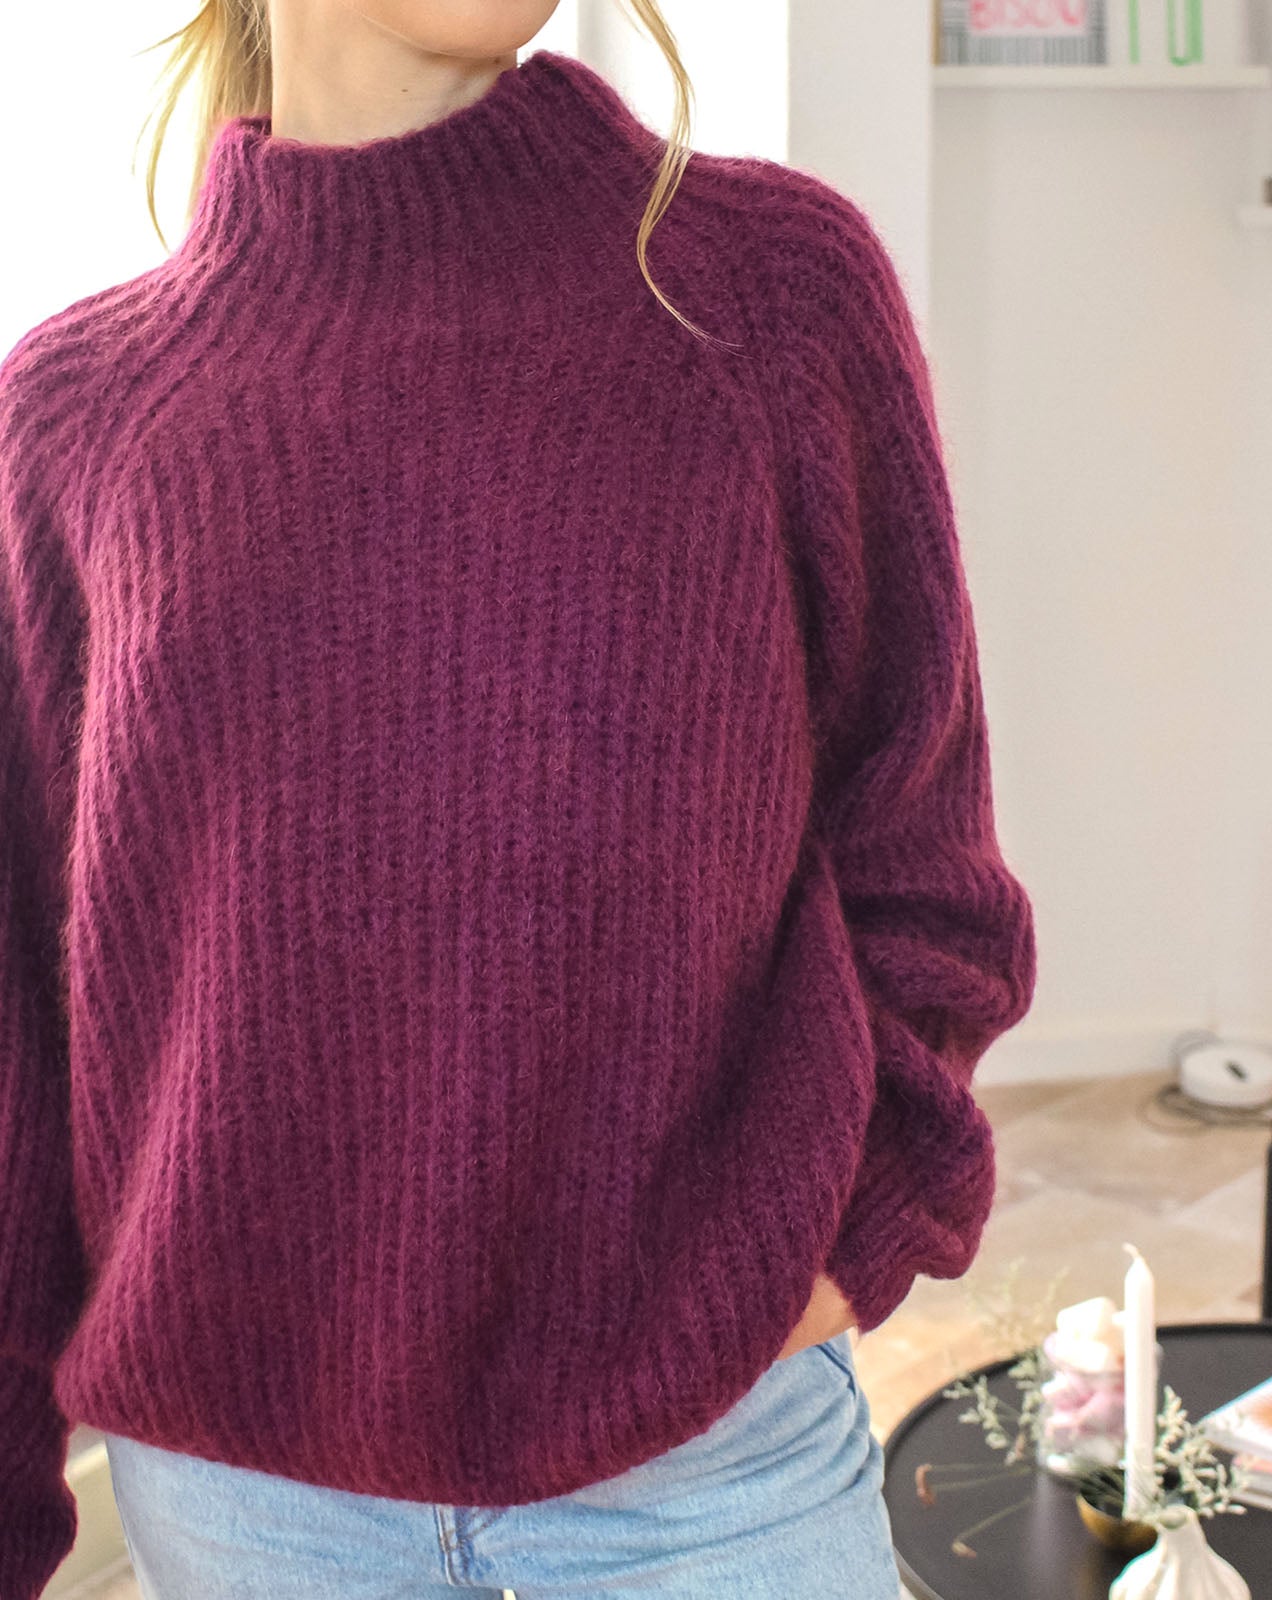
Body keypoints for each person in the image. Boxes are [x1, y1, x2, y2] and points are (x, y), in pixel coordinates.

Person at [0, 2, 1038, 1596]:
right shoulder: (76, 412)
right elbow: (22, 1036)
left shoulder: (764, 292)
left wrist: (856, 1227)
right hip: (246, 1507)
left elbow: (920, 851)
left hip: (704, 1476)